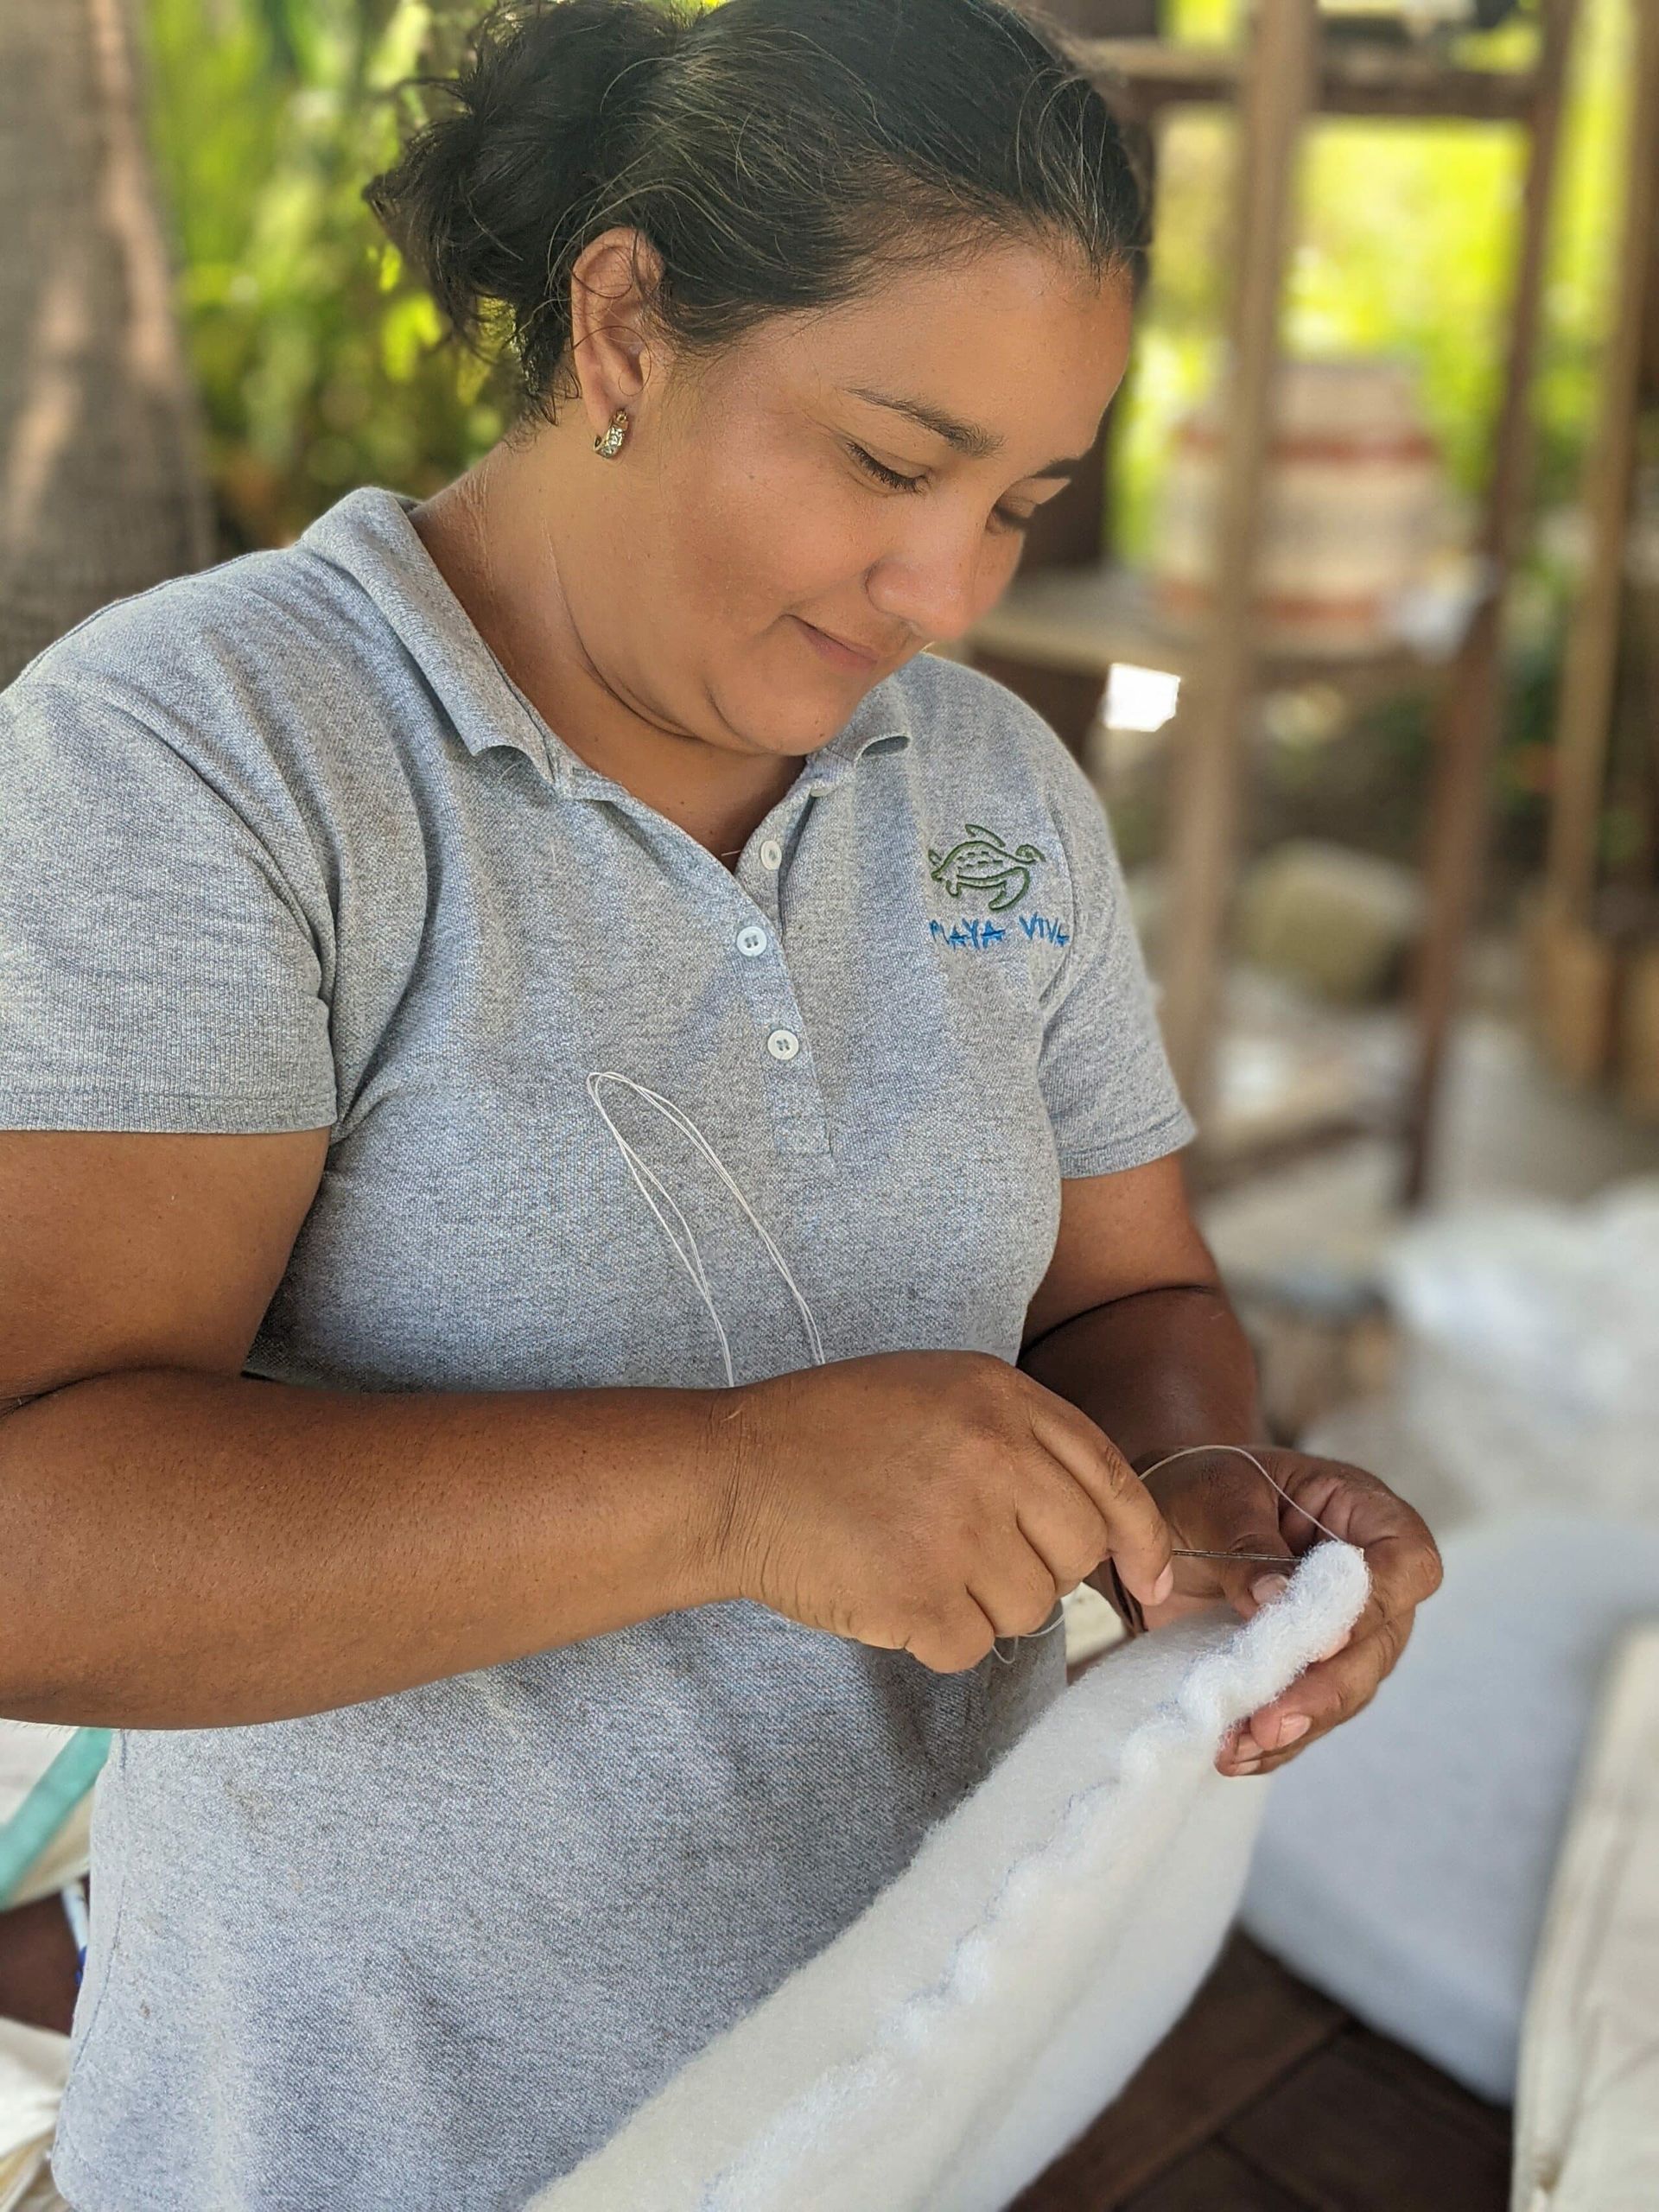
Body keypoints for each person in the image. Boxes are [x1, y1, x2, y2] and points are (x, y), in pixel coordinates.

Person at [0, 0, 1441, 2203]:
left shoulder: (985, 800)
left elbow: (1125, 1288)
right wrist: (738, 1490)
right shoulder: (214, 757)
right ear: (625, 322)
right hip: (366, 2136)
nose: (947, 590)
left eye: (1024, 503)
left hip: (893, 2100)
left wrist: (1203, 1493)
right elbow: (41, 1533)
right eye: (886, 459)